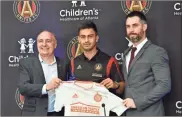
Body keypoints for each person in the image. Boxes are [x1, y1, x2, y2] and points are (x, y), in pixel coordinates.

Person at [122, 11, 171, 116]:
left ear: (144, 27)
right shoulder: (126, 53)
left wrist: (137, 102)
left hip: (150, 113)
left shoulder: (156, 52)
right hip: (129, 113)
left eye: (135, 25)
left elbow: (164, 85)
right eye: (128, 26)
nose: (131, 30)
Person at [67, 21, 125, 95]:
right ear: (79, 39)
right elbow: (68, 88)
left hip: (102, 105)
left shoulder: (109, 61)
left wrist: (116, 85)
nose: (86, 40)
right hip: (79, 106)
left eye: (90, 36)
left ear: (96, 38)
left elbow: (122, 88)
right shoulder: (73, 62)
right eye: (83, 37)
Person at [18, 30, 66, 116]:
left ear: (55, 44)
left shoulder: (64, 63)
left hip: (59, 113)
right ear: (37, 45)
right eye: (40, 41)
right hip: (35, 114)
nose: (44, 44)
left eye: (48, 41)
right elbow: (23, 87)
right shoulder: (26, 63)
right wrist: (46, 87)